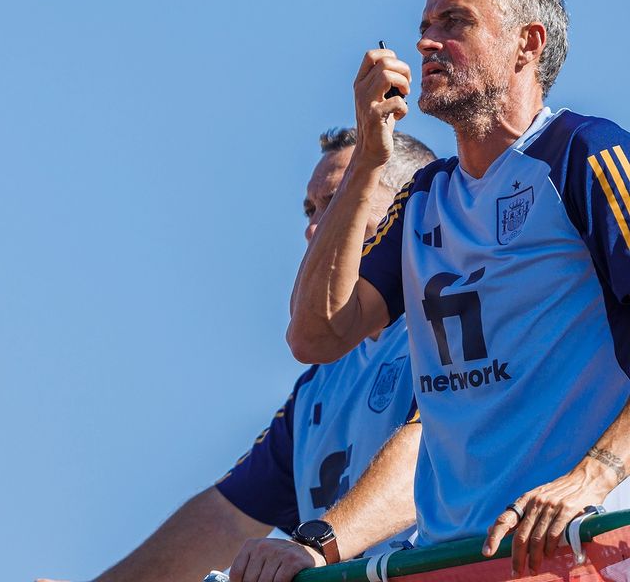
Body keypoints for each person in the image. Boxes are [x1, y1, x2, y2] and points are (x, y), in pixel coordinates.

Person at [282, 0, 630, 579]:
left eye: (455, 22)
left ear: (528, 42)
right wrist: (366, 159)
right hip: (450, 560)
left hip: (575, 548)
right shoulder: (422, 197)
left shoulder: (584, 153)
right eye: (425, 25)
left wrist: (593, 475)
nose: (426, 42)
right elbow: (315, 335)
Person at [36, 128, 435, 582]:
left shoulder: (453, 325)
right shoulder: (321, 386)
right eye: (310, 209)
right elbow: (225, 518)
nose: (313, 226)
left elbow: (443, 452)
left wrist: (317, 543)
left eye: (341, 198)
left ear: (406, 207)